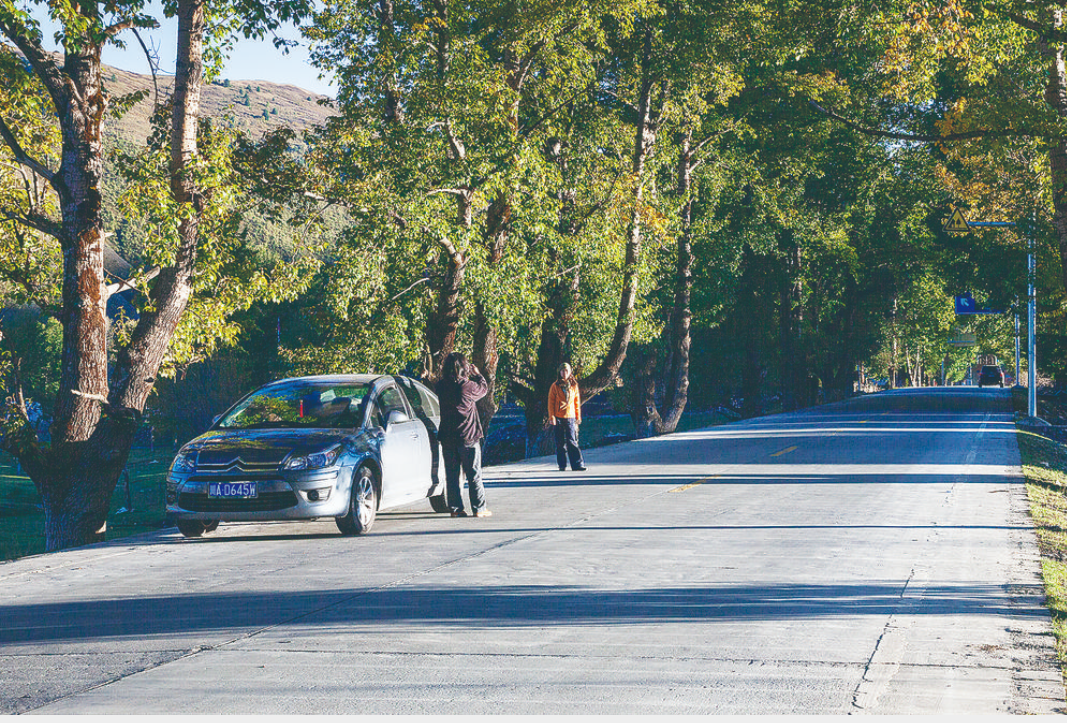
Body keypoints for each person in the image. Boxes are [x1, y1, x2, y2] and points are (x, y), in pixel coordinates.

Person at [435, 352, 492, 518]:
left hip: (447, 437)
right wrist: (478, 375)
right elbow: (484, 389)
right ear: (464, 368)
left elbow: (435, 384)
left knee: (452, 476)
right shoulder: (467, 386)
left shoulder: (441, 386)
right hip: (468, 436)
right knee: (473, 474)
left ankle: (456, 509)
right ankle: (479, 508)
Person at [549, 363, 586, 471]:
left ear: (570, 372)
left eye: (566, 371)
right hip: (558, 416)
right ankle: (562, 464)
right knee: (560, 442)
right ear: (559, 372)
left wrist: (578, 416)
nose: (564, 373)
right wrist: (552, 417)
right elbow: (551, 402)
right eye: (562, 371)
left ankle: (577, 464)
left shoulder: (574, 385)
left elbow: (576, 402)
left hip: (570, 416)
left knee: (572, 441)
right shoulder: (555, 386)